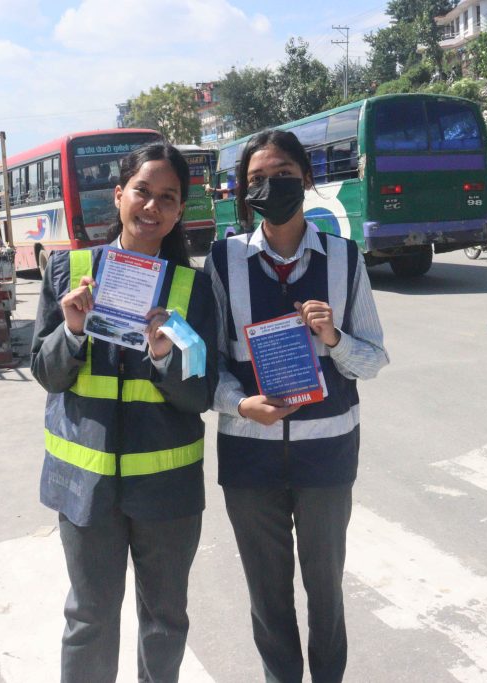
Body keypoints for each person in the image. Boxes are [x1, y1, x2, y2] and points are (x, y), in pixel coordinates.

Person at [205, 130, 388, 683]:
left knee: (326, 590)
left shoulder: (344, 258)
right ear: (242, 190)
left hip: (327, 457)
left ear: (306, 179)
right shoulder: (223, 260)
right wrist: (241, 405)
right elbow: (206, 365)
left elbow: (374, 359)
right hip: (249, 461)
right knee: (266, 594)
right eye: (255, 179)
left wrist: (334, 339)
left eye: (281, 174)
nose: (269, 186)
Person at [30, 143, 218, 683]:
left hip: (167, 492)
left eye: (167, 197)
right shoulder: (71, 270)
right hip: (86, 489)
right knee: (88, 618)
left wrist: (165, 358)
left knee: (163, 621)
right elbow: (46, 373)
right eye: (142, 191)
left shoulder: (192, 289)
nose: (152, 207)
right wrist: (71, 330)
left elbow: (200, 395)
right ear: (119, 196)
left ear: (181, 210)